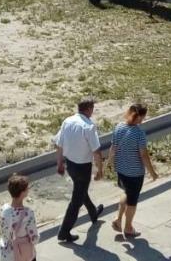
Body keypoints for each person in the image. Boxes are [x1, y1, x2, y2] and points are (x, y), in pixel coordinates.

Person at [54, 97, 105, 243]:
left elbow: (59, 144)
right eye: (92, 109)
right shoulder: (89, 126)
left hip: (71, 165)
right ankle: (64, 232)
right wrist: (99, 170)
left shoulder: (67, 121)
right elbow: (96, 151)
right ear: (89, 109)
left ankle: (93, 213)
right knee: (76, 202)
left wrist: (60, 163)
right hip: (83, 167)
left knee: (80, 189)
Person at [107, 103, 158, 238]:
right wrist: (152, 172)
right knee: (132, 201)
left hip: (121, 169)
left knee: (127, 193)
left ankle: (118, 220)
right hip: (135, 173)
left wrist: (109, 162)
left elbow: (113, 148)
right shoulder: (139, 133)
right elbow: (144, 155)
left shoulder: (119, 127)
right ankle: (128, 228)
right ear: (141, 117)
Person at [0, 174, 38, 261]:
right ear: (22, 193)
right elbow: (34, 238)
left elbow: (4, 232)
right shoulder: (28, 213)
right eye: (27, 188)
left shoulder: (4, 210)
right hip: (24, 254)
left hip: (7, 254)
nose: (28, 190)